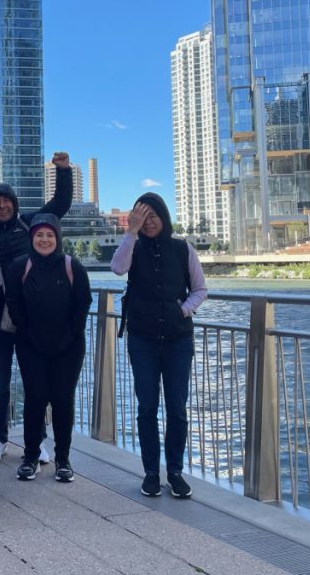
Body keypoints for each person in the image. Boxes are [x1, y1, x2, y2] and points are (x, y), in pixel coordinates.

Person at [110, 192, 208, 499]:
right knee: (147, 407)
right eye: (142, 216)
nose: (148, 222)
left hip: (178, 340)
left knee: (177, 409)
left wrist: (183, 310)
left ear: (164, 217)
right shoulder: (133, 247)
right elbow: (117, 268)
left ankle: (175, 472)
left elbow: (201, 289)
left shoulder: (182, 249)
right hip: (143, 340)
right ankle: (151, 473)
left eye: (153, 215)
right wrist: (131, 232)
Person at [0, 151, 74, 463]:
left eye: (6, 201)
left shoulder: (30, 223)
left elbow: (59, 206)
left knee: (37, 384)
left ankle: (40, 440)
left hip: (32, 319)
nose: (2, 206)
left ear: (14, 204)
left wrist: (62, 171)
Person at [4, 214, 91, 482]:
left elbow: (82, 304)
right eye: (39, 235)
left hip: (69, 345)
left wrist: (68, 337)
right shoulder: (20, 266)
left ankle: (63, 459)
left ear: (57, 238)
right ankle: (31, 456)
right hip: (31, 344)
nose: (44, 240)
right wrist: (29, 332)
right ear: (32, 238)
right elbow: (13, 303)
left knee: (63, 400)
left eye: (49, 235)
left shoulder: (71, 266)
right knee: (35, 398)